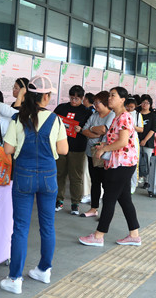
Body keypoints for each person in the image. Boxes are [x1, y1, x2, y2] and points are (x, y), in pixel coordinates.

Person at [0, 75, 68, 295]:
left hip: (24, 175)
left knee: (20, 227)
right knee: (47, 226)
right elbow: (64, 150)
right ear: (45, 96)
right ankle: (43, 270)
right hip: (49, 176)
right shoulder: (56, 119)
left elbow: (8, 150)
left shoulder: (19, 118)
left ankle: (15, 278)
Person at [79, 87, 140, 248]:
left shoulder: (124, 117)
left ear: (122, 99)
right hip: (120, 163)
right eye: (110, 95)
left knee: (109, 199)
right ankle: (134, 235)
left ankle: (99, 236)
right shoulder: (117, 117)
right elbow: (116, 140)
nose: (110, 98)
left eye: (113, 96)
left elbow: (123, 142)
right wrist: (104, 144)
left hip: (122, 164)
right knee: (124, 199)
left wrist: (105, 148)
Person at [54, 85, 92, 215]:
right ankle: (59, 200)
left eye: (77, 98)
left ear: (82, 98)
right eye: (72, 97)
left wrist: (81, 130)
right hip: (61, 146)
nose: (74, 100)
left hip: (77, 148)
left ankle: (75, 203)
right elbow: (53, 121)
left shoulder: (87, 112)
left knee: (76, 177)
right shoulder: (62, 108)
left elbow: (90, 129)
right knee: (60, 174)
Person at [80, 91, 114, 217]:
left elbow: (105, 130)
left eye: (97, 102)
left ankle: (105, 212)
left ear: (105, 103)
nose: (95, 105)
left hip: (105, 155)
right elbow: (84, 130)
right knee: (95, 182)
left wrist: (92, 130)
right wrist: (96, 132)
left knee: (106, 183)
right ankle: (93, 208)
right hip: (91, 153)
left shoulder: (112, 115)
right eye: (94, 102)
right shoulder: (94, 115)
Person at [137, 94, 156, 186]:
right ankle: (136, 179)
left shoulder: (153, 116)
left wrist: (145, 140)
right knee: (136, 160)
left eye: (147, 103)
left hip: (148, 142)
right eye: (143, 102)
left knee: (147, 160)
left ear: (150, 105)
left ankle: (147, 180)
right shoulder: (137, 114)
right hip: (135, 141)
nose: (145, 104)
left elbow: (153, 129)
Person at [125, 96, 144, 193]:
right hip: (124, 140)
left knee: (134, 163)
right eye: (128, 106)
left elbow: (141, 129)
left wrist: (133, 126)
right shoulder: (122, 113)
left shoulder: (137, 115)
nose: (129, 109)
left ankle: (133, 185)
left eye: (132, 107)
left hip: (133, 140)